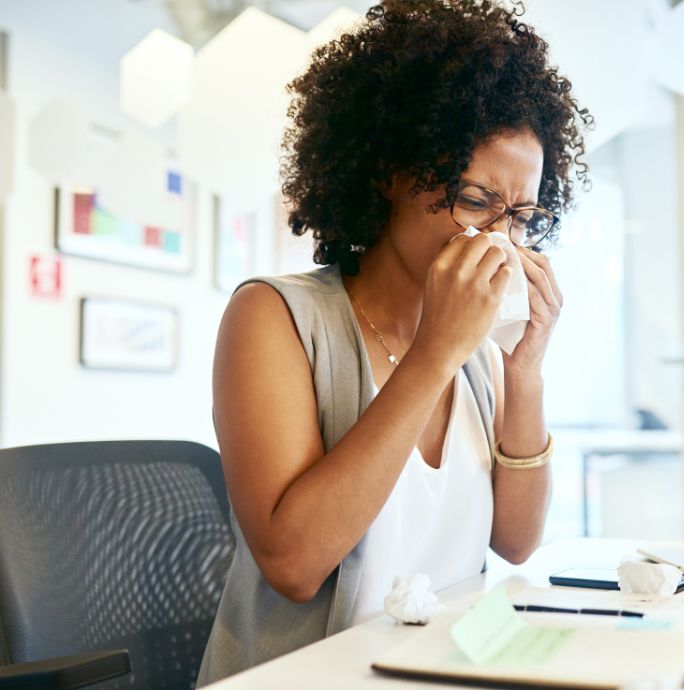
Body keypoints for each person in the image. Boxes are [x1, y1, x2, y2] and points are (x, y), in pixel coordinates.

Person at [197, 0, 591, 683]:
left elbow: (518, 541)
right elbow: (293, 564)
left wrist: (524, 371)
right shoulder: (273, 317)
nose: (501, 239)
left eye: (522, 215)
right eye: (475, 202)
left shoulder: (474, 351)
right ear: (391, 174)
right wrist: (433, 354)